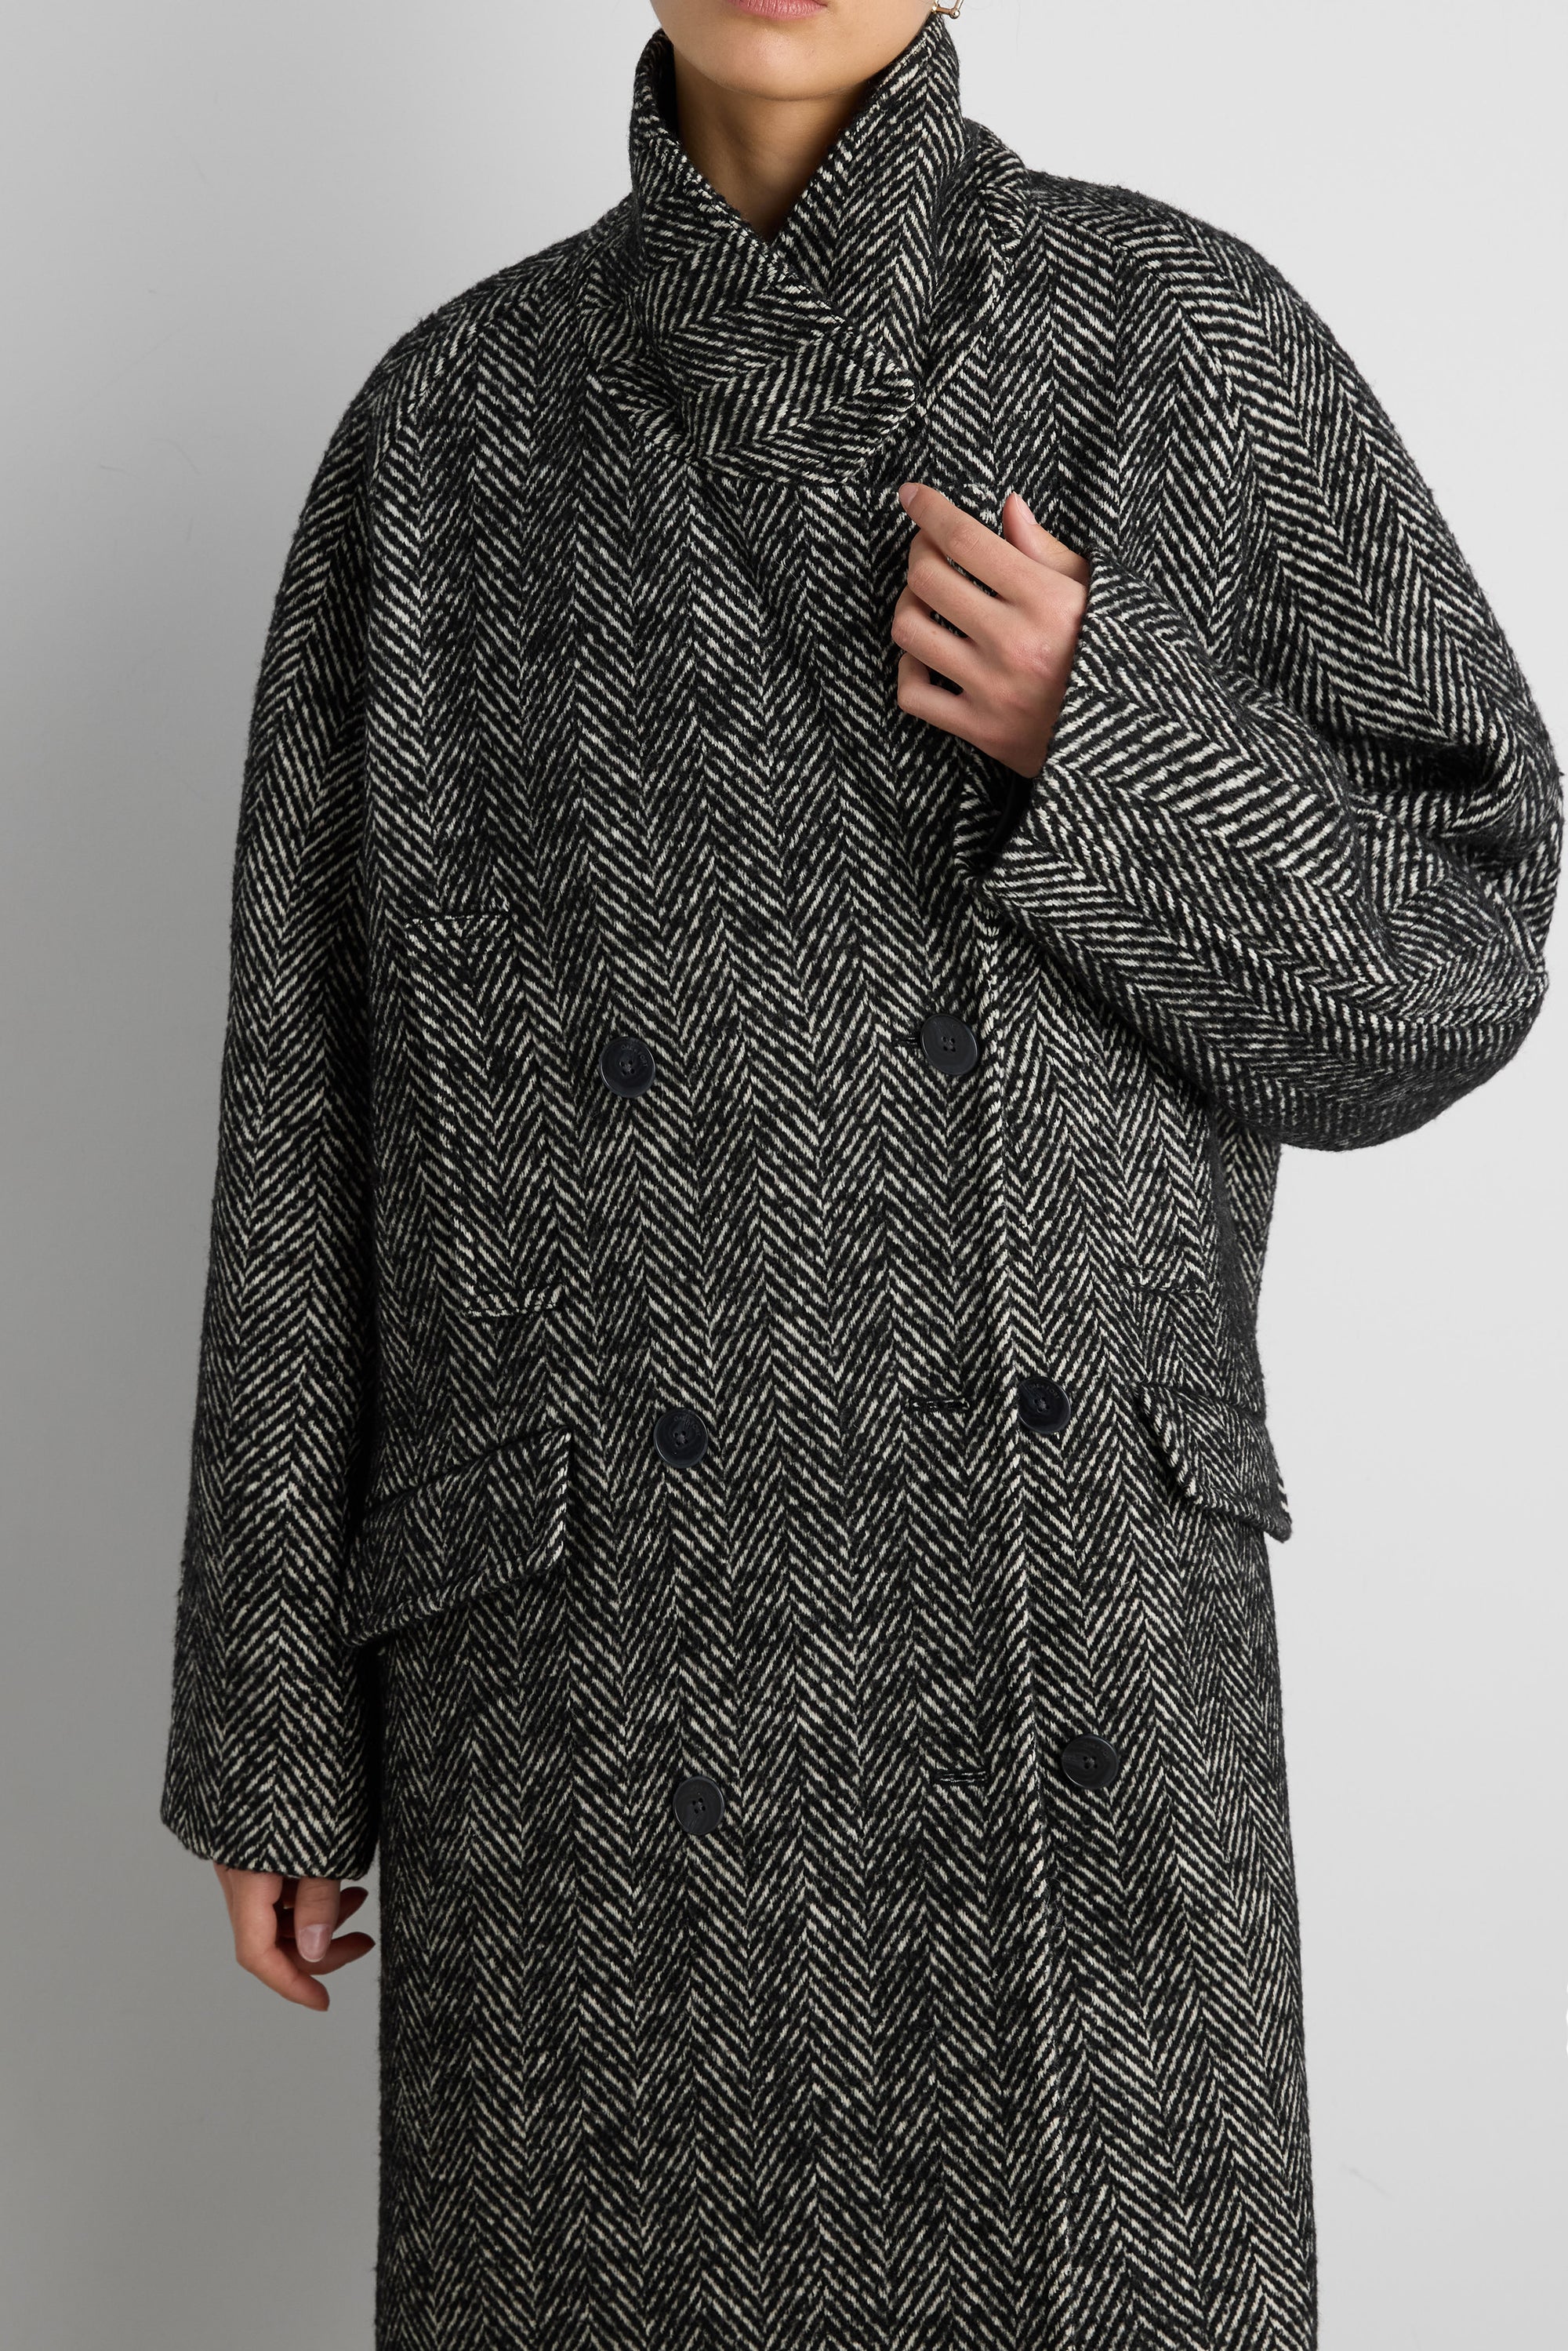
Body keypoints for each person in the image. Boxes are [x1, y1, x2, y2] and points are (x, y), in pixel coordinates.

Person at [162, 2, 1562, 2344]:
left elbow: (1466, 948)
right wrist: (275, 1721)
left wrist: (1105, 738)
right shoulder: (447, 431)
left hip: (1066, 1647)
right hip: (591, 1685)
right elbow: (310, 1103)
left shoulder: (1177, 337)